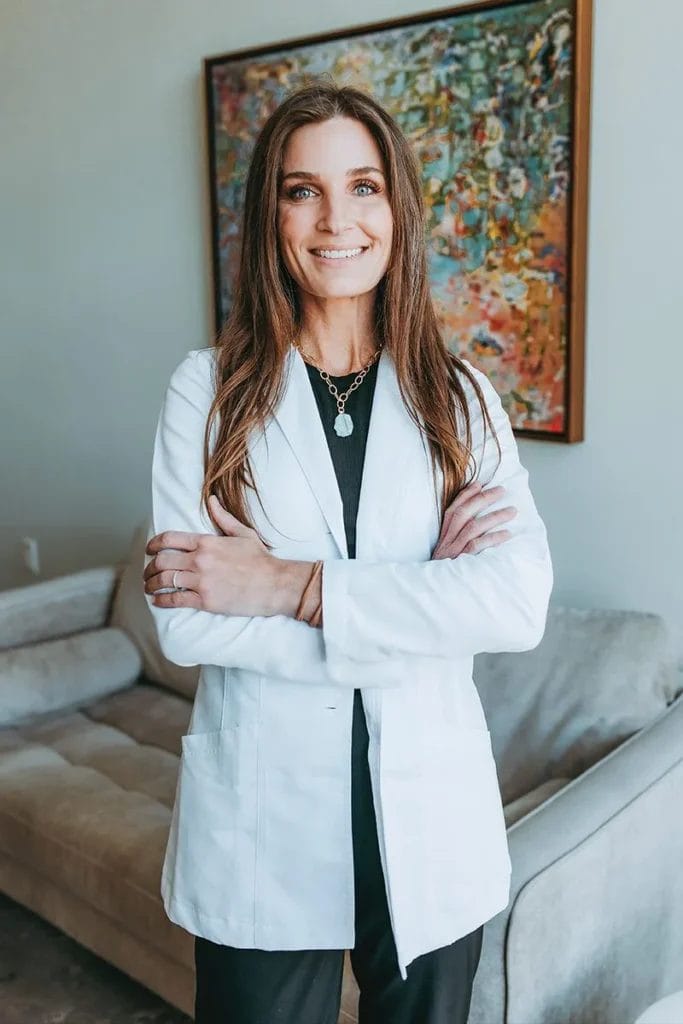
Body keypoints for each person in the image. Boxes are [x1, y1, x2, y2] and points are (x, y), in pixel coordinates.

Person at [142, 81, 553, 1024]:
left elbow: (514, 604)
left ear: (396, 208)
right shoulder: (205, 395)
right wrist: (424, 604)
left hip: (431, 814)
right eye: (303, 190)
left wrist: (285, 585)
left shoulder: (463, 399)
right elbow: (187, 624)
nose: (338, 220)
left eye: (363, 187)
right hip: (264, 815)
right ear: (271, 212)